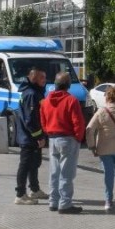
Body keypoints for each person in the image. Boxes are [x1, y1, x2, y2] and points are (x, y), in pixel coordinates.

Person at [40, 72, 85, 214]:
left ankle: (53, 201)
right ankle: (65, 203)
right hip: (68, 138)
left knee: (54, 172)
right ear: (68, 85)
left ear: (55, 84)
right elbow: (78, 122)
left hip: (53, 137)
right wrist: (78, 138)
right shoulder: (71, 100)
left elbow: (43, 120)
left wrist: (48, 132)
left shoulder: (46, 101)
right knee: (67, 173)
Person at [13, 67, 49, 205]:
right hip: (29, 137)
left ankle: (34, 189)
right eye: (42, 78)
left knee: (34, 164)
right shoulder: (31, 94)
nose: (45, 80)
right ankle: (20, 194)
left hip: (32, 137)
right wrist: (39, 137)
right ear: (34, 79)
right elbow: (30, 120)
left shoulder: (36, 92)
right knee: (25, 165)